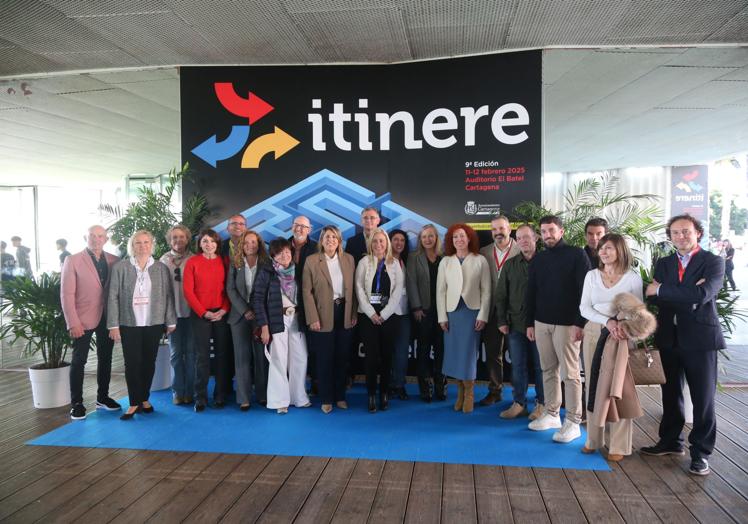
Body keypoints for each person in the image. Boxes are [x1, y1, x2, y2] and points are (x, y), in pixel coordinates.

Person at [642, 214, 725, 476]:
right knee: (670, 394)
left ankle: (700, 453)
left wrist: (664, 289)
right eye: (675, 233)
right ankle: (670, 442)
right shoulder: (664, 262)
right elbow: (654, 299)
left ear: (697, 232)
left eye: (686, 232)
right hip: (669, 336)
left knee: (703, 399)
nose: (681, 236)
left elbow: (703, 294)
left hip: (700, 339)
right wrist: (684, 292)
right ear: (670, 236)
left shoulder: (713, 262)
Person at [526, 215, 590, 443]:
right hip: (541, 323)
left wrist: (579, 323)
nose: (547, 235)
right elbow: (531, 292)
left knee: (570, 373)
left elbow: (585, 292)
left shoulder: (576, 255)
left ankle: (573, 421)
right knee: (548, 369)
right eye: (543, 231)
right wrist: (529, 323)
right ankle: (552, 413)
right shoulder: (539, 259)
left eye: (551, 230)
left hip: (568, 324)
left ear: (561, 231)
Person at [579, 233, 643, 460]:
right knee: (594, 385)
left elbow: (638, 312)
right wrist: (607, 321)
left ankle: (619, 446)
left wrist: (621, 326)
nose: (604, 252)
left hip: (621, 337)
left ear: (621, 251)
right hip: (595, 331)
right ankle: (593, 440)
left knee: (619, 388)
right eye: (602, 248)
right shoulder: (591, 276)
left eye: (610, 248)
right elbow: (584, 308)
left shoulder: (632, 278)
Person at [107, 231, 176, 420]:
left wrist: (170, 321)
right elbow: (112, 296)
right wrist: (113, 325)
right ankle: (134, 402)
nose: (142, 246)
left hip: (153, 322)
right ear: (132, 246)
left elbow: (168, 296)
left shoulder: (161, 268)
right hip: (129, 323)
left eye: (146, 242)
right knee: (132, 363)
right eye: (138, 242)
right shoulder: (120, 267)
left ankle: (144, 398)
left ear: (151, 244)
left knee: (148, 362)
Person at [60, 225, 121, 420]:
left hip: (107, 318)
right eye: (92, 236)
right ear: (85, 237)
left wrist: (117, 321)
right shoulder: (73, 260)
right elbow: (66, 294)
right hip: (82, 319)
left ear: (106, 238)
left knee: (106, 359)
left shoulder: (114, 260)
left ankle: (102, 398)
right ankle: (76, 403)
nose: (96, 239)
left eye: (100, 236)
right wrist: (72, 322)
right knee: (79, 361)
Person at [437, 224, 491, 414]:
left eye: (462, 236)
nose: (458, 240)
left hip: (471, 313)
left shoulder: (480, 260)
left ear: (469, 239)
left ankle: (469, 392)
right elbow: (440, 291)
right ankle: (460, 390)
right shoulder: (446, 262)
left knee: (468, 354)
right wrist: (442, 317)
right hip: (452, 314)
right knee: (454, 353)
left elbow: (486, 290)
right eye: (455, 237)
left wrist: (483, 315)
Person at [303, 226, 358, 413]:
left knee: (342, 358)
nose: (331, 240)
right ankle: (326, 398)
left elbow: (355, 289)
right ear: (321, 240)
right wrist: (313, 317)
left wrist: (353, 314)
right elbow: (306, 292)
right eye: (327, 237)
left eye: (334, 237)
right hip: (322, 314)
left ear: (339, 240)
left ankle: (340, 396)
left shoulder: (349, 259)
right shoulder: (312, 261)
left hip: (344, 311)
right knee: (325, 359)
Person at [254, 238, 311, 414]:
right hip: (276, 319)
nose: (285, 255)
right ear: (273, 255)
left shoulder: (299, 270)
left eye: (287, 251)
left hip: (297, 318)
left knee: (300, 357)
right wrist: (264, 326)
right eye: (280, 253)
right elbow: (257, 299)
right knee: (278, 359)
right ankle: (279, 400)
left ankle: (298, 397)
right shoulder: (267, 271)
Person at [495, 224, 545, 420]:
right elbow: (500, 296)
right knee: (518, 365)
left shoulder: (545, 263)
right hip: (515, 325)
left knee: (542, 367)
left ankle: (542, 404)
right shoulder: (510, 265)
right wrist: (501, 320)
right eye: (520, 238)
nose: (524, 241)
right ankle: (519, 403)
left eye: (527, 237)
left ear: (536, 238)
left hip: (542, 325)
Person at [355, 227, 404, 412]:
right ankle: (371, 395)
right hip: (368, 318)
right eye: (375, 241)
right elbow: (359, 289)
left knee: (386, 357)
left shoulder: (395, 264)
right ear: (370, 243)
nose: (378, 244)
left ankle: (384, 393)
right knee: (371, 359)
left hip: (388, 318)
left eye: (382, 241)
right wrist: (371, 314)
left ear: (387, 243)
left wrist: (383, 314)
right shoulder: (363, 262)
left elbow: (398, 291)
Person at [183, 228, 231, 412]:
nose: (209, 244)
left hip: (221, 313)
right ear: (200, 244)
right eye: (205, 241)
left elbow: (229, 288)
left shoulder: (224, 261)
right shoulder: (193, 262)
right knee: (202, 357)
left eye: (212, 241)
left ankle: (220, 395)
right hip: (200, 315)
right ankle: (200, 397)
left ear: (217, 244)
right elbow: (188, 291)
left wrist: (224, 309)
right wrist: (203, 312)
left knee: (221, 356)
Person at [226, 229, 270, 410]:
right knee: (242, 358)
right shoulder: (235, 263)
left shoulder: (266, 263)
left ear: (259, 244)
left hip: (261, 316)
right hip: (239, 316)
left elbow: (269, 289)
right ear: (241, 245)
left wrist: (257, 312)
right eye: (246, 242)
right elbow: (230, 289)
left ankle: (263, 395)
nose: (250, 245)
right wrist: (245, 310)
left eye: (253, 242)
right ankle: (243, 398)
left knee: (261, 357)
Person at [478, 215, 520, 406]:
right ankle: (495, 391)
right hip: (492, 310)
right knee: (493, 353)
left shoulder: (521, 250)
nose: (498, 233)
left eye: (501, 229)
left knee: (518, 355)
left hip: (515, 312)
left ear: (509, 229)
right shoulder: (484, 252)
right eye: (494, 229)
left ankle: (519, 397)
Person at [407, 224, 445, 402]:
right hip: (423, 311)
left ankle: (439, 384)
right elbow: (411, 283)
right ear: (420, 240)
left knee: (441, 349)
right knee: (423, 349)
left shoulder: (444, 258)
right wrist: (416, 307)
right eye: (424, 237)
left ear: (436, 238)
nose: (428, 239)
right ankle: (424, 386)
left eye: (431, 236)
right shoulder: (414, 257)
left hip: (443, 311)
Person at [159, 225, 195, 405]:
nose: (178, 240)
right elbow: (160, 291)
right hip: (172, 316)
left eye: (182, 237)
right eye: (174, 237)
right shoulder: (163, 260)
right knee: (175, 354)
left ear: (187, 239)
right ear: (169, 240)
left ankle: (190, 391)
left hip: (192, 314)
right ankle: (177, 391)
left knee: (190, 354)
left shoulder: (195, 259)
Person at [389, 228, 411, 400]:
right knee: (388, 351)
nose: (399, 243)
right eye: (395, 240)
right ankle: (389, 384)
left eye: (402, 240)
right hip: (387, 313)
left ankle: (400, 384)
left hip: (404, 313)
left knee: (402, 351)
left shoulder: (408, 261)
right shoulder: (384, 261)